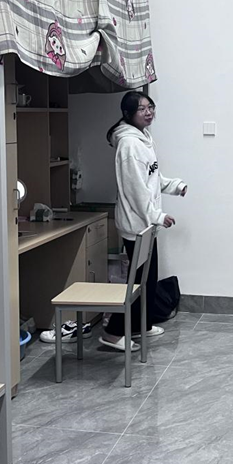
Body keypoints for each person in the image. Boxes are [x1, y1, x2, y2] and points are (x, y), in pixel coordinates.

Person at [100, 91, 187, 352]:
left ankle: (141, 324)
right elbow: (135, 190)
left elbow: (152, 178)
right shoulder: (129, 145)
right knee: (138, 283)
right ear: (128, 114)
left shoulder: (144, 138)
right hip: (136, 226)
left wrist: (175, 186)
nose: (148, 112)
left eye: (150, 107)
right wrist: (157, 216)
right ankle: (113, 333)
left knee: (148, 281)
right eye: (141, 109)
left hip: (146, 225)